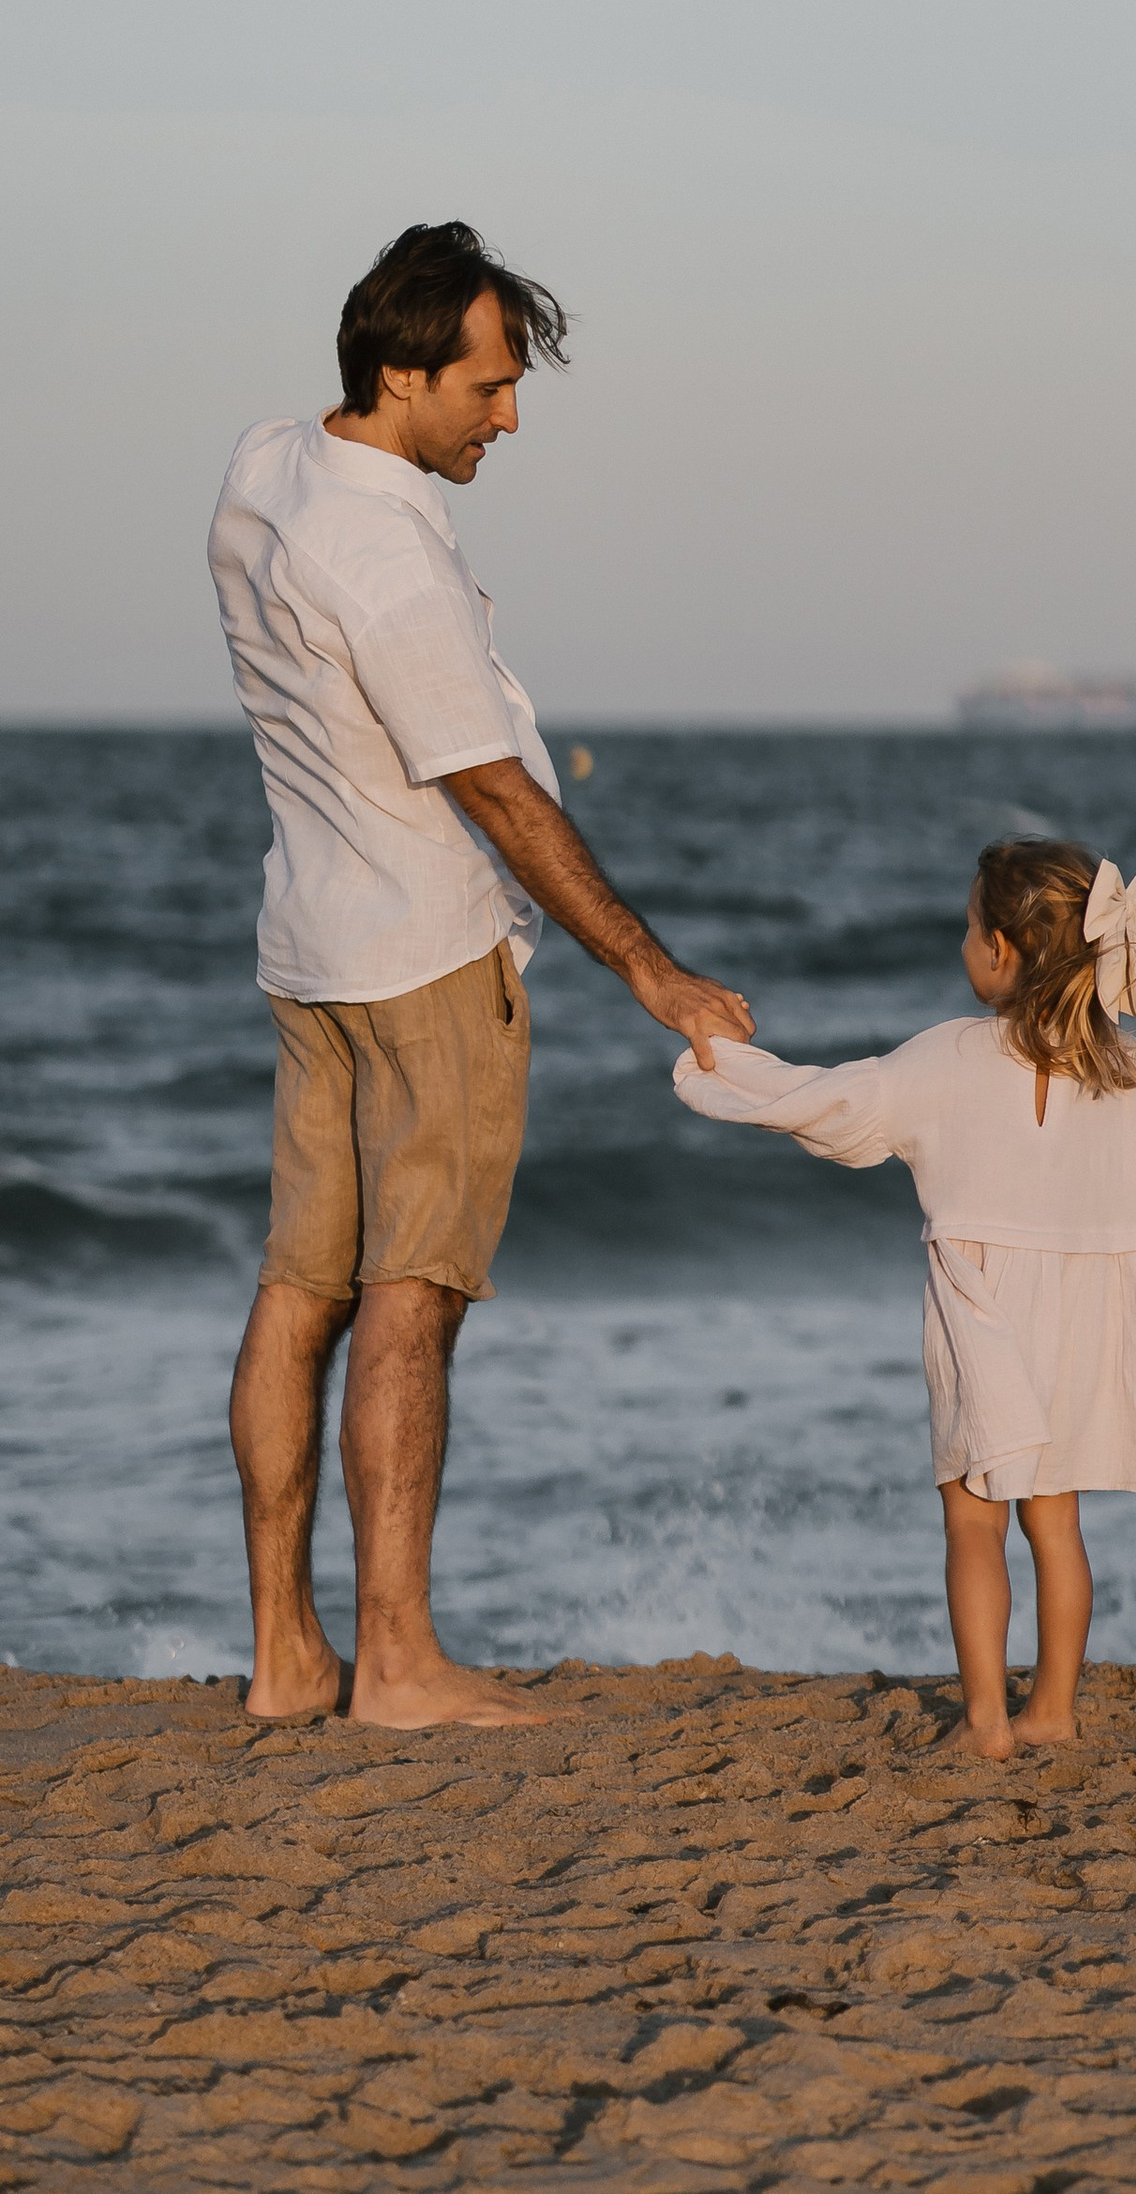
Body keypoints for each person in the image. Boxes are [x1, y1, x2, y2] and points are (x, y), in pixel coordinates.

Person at [210, 220, 752, 1731]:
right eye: (488, 388)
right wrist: (651, 968)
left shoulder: (266, 466)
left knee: (298, 1290)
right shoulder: (382, 556)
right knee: (413, 1296)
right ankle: (394, 1658)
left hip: (308, 944)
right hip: (429, 954)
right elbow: (504, 797)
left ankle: (285, 1655)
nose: (508, 417)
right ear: (400, 374)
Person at [674, 839, 1136, 1756]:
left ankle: (986, 1721)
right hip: (1089, 1319)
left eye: (969, 927)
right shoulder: (1131, 1071)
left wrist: (717, 1062)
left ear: (1002, 950)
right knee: (1058, 1524)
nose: (964, 942)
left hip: (982, 1316)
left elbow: (823, 1103)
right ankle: (1055, 1713)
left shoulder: (939, 1061)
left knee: (971, 1523)